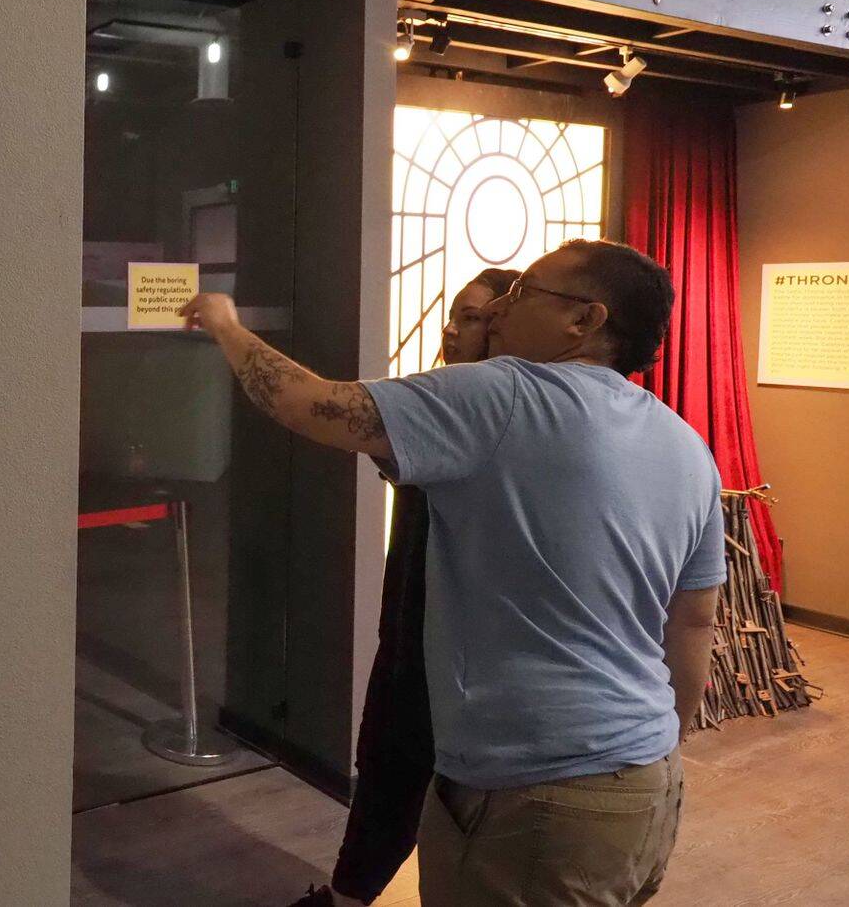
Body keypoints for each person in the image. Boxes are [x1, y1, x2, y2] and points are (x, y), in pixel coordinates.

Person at [182, 240, 722, 907]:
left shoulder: (501, 394)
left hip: (538, 793)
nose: (498, 307)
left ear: (584, 320)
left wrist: (225, 323)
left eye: (524, 292)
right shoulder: (685, 444)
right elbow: (694, 620)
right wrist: (654, 749)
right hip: (647, 780)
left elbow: (305, 402)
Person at [289, 266, 520, 907]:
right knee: (388, 771)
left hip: (464, 656)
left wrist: (226, 326)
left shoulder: (503, 418)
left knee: (433, 793)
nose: (451, 326)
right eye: (455, 312)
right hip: (411, 635)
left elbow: (310, 404)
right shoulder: (447, 404)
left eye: (471, 317)